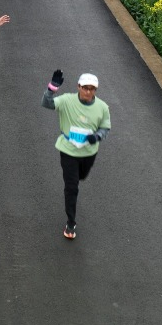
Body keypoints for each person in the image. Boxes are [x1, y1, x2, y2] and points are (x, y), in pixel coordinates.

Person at [41, 71, 111, 239]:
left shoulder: (102, 107)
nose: (88, 92)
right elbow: (47, 103)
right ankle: (71, 222)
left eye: (92, 89)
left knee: (81, 176)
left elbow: (105, 127)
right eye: (85, 88)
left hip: (88, 153)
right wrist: (52, 88)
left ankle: (77, 178)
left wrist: (97, 136)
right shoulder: (66, 101)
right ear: (78, 87)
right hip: (68, 150)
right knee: (72, 187)